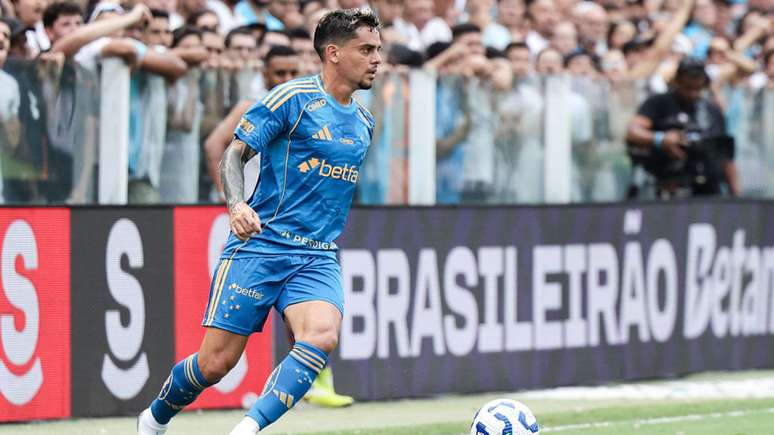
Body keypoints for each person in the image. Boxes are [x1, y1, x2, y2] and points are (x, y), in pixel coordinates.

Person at [136, 8, 381, 435]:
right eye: (366, 50)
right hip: (262, 245)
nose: (377, 59)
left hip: (316, 255)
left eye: (378, 49)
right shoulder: (291, 100)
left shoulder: (364, 122)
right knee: (216, 363)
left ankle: (246, 429)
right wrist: (236, 206)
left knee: (322, 336)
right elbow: (234, 154)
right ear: (333, 53)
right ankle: (154, 418)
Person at [626, 57, 739, 198]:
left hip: (707, 189)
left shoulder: (711, 109)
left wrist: (736, 197)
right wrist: (660, 139)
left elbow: (726, 157)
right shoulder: (659, 103)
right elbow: (633, 131)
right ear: (677, 81)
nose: (693, 94)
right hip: (667, 186)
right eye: (688, 88)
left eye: (697, 88)